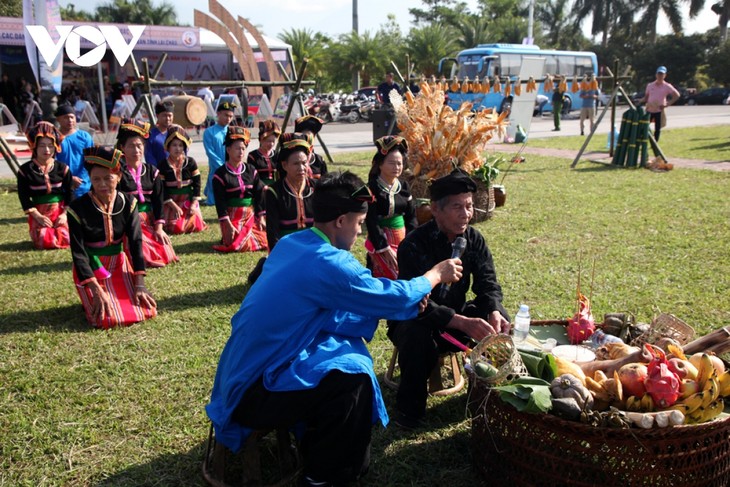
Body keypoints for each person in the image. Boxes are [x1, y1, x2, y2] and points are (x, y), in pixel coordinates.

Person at [205, 171, 463, 486]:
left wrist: (399, 306)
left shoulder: (293, 243)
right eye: (358, 224)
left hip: (236, 374)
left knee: (347, 358)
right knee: (351, 380)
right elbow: (390, 295)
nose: (358, 233)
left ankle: (336, 455)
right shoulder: (328, 262)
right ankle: (323, 476)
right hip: (253, 392)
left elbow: (326, 312)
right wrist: (434, 275)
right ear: (340, 221)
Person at [387, 169, 511, 429]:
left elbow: (488, 283)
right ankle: (409, 412)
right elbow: (415, 302)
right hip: (417, 318)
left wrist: (494, 310)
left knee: (500, 321)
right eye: (457, 207)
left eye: (468, 206)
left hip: (456, 316)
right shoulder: (414, 244)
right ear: (435, 209)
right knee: (415, 334)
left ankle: (491, 397)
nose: (466, 214)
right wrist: (461, 322)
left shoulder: (474, 239)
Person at [67, 146, 157, 329]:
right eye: (96, 179)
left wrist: (139, 283)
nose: (102, 185)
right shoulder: (77, 208)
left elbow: (135, 243)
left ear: (119, 177)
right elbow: (78, 252)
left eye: (108, 178)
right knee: (106, 319)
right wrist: (95, 288)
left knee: (145, 311)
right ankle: (94, 293)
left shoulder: (128, 203)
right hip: (92, 270)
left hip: (119, 265)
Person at [116, 118, 178, 268]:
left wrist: (159, 228)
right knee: (141, 249)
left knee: (166, 251)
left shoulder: (152, 171)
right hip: (128, 222)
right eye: (131, 146)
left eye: (139, 146)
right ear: (122, 147)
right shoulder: (117, 173)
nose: (136, 151)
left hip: (148, 220)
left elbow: (158, 201)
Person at [365, 136, 417, 280]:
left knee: (405, 274)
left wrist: (411, 241)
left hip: (402, 238)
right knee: (384, 276)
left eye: (399, 163)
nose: (397, 167)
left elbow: (411, 217)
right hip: (380, 241)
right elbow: (371, 220)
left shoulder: (404, 186)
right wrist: (384, 247)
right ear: (380, 164)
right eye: (392, 163)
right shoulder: (371, 188)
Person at [16, 121, 72, 249]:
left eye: (50, 145)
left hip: (60, 211)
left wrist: (64, 215)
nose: (47, 150)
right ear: (34, 146)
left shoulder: (63, 168)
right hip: (39, 212)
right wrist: (38, 217)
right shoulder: (25, 170)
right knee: (44, 241)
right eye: (42, 146)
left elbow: (70, 193)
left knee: (66, 238)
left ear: (55, 147)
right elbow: (23, 196)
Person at [211, 126, 267, 253]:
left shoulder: (251, 170)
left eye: (243, 148)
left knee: (266, 237)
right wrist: (227, 224)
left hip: (250, 215)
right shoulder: (220, 174)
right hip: (232, 217)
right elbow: (220, 203)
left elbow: (259, 195)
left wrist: (261, 217)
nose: (241, 152)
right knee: (236, 243)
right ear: (228, 149)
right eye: (237, 148)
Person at [264, 134, 315, 251]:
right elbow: (272, 231)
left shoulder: (316, 188)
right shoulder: (274, 192)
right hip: (287, 247)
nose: (301, 168)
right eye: (296, 164)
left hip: (313, 245)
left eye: (304, 163)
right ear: (284, 165)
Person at [157, 125, 207, 234]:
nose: (178, 148)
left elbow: (197, 185)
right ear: (168, 146)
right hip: (171, 203)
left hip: (188, 201)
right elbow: (161, 189)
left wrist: (193, 204)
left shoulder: (191, 162)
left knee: (196, 226)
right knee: (176, 229)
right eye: (174, 145)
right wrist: (174, 206)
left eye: (180, 145)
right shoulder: (162, 165)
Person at [54, 103, 95, 199]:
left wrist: (81, 180)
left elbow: (90, 160)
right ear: (58, 120)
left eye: (72, 117)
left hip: (83, 185)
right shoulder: (54, 138)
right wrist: (69, 178)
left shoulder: (85, 137)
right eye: (65, 117)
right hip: (62, 185)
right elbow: (52, 163)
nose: (70, 120)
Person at [203, 100, 236, 205]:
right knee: (215, 180)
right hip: (216, 165)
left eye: (231, 116)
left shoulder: (232, 131)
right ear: (218, 114)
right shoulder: (209, 132)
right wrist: (221, 165)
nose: (228, 119)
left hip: (231, 164)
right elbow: (210, 151)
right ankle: (211, 199)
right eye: (226, 115)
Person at [637, 66, 680, 142]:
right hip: (649, 110)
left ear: (665, 75)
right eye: (659, 74)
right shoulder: (650, 85)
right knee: (644, 126)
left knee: (657, 128)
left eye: (662, 74)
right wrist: (640, 101)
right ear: (656, 75)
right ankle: (642, 141)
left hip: (659, 110)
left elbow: (677, 95)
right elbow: (646, 97)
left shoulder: (667, 86)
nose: (660, 76)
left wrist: (667, 104)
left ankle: (655, 143)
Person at [247, 120, 280, 187]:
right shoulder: (253, 156)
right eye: (268, 141)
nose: (271, 144)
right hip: (260, 188)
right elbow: (251, 176)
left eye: (273, 141)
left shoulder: (277, 155)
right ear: (261, 140)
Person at [294, 115, 328, 179]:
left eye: (310, 137)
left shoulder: (319, 160)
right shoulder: (292, 158)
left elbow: (325, 182)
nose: (307, 141)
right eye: (304, 137)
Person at [144, 101, 174, 167]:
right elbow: (149, 158)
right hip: (159, 173)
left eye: (170, 115)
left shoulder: (176, 133)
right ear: (157, 116)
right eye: (164, 115)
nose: (167, 119)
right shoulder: (150, 136)